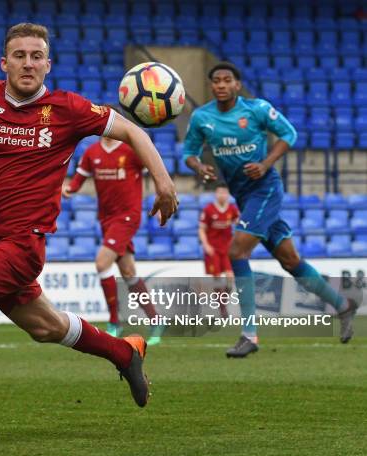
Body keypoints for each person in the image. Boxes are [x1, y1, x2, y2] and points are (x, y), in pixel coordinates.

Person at [0, 23, 178, 441]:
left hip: (20, 247)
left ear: (48, 65)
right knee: (47, 328)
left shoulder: (68, 109)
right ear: (5, 62)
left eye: (36, 56)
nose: (28, 63)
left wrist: (163, 181)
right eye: (19, 55)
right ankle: (125, 351)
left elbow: (132, 130)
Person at [183, 62, 357, 358]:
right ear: (212, 86)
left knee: (237, 252)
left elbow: (289, 134)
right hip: (244, 196)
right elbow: (189, 153)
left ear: (237, 85)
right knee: (290, 260)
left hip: (265, 189)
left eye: (227, 80)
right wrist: (200, 167)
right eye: (216, 81)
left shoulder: (257, 110)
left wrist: (265, 164)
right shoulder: (202, 117)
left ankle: (249, 334)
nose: (221, 85)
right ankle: (343, 306)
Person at [63, 135, 164, 345]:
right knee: (128, 272)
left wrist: (161, 197)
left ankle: (114, 321)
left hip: (128, 216)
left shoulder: (130, 150)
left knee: (102, 263)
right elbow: (79, 179)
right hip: (106, 219)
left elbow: (155, 171)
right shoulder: (92, 152)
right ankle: (156, 319)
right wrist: (68, 190)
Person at [198, 184, 239, 318]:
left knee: (230, 278)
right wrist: (206, 245)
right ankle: (222, 310)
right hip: (213, 249)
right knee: (216, 278)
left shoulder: (232, 209)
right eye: (220, 192)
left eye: (225, 193)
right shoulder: (209, 209)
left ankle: (223, 304)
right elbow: (201, 229)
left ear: (228, 195)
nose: (222, 195)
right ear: (216, 194)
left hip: (227, 249)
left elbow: (239, 224)